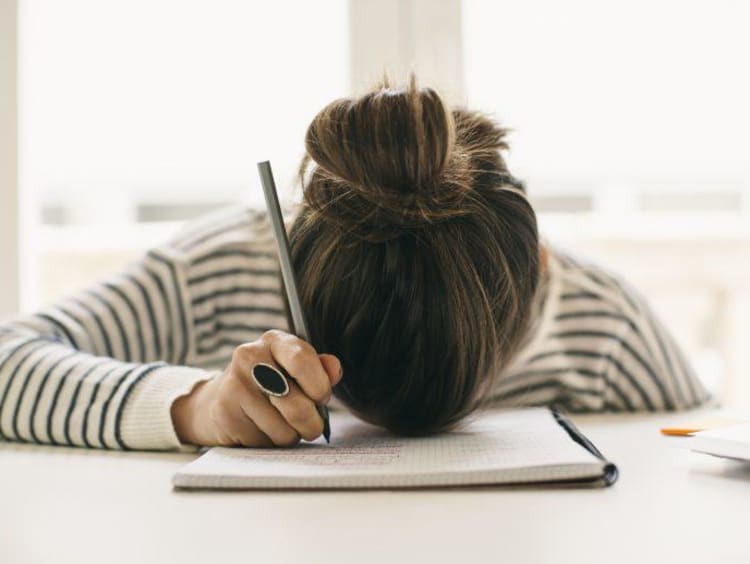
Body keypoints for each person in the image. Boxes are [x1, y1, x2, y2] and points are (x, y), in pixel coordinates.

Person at [0, 77, 710, 451]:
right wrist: (194, 408)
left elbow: (700, 455)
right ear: (291, 278)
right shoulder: (220, 268)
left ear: (539, 273)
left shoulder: (603, 324)